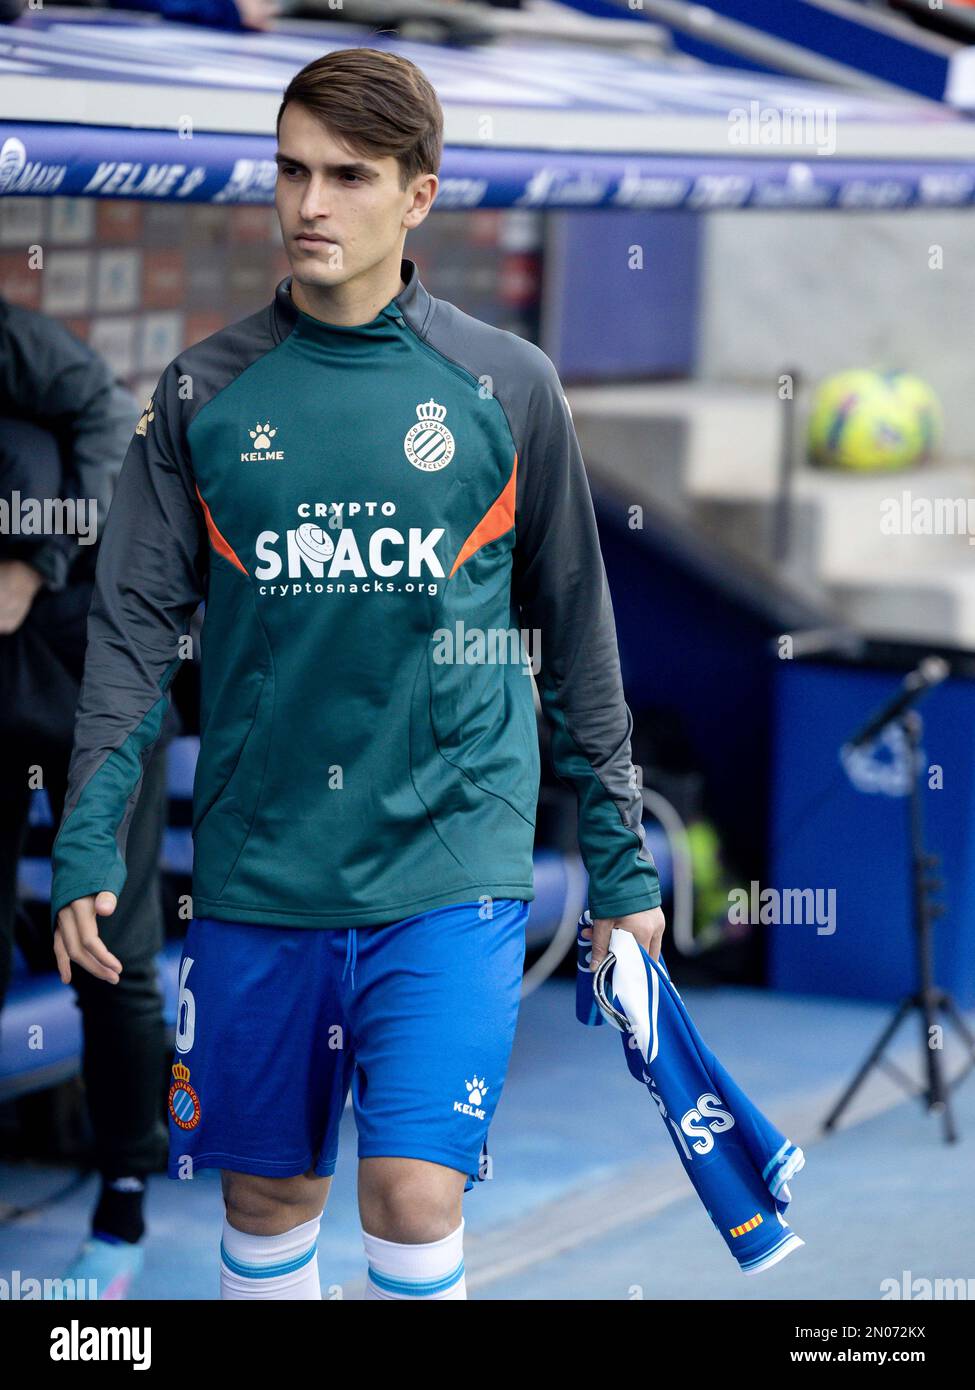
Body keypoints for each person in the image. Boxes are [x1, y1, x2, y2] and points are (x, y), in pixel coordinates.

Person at [49, 46, 665, 1302]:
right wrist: (87, 844)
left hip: (452, 857)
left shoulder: (508, 386)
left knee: (413, 1188)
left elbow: (576, 635)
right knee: (270, 1197)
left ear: (420, 195)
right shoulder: (202, 393)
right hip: (263, 865)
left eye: (347, 176)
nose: (309, 204)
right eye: (290, 171)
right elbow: (127, 635)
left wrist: (621, 868)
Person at [0, 297, 172, 1298]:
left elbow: (120, 431)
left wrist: (34, 558)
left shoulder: (18, 345)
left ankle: (121, 1205)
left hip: (87, 662)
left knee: (109, 947)